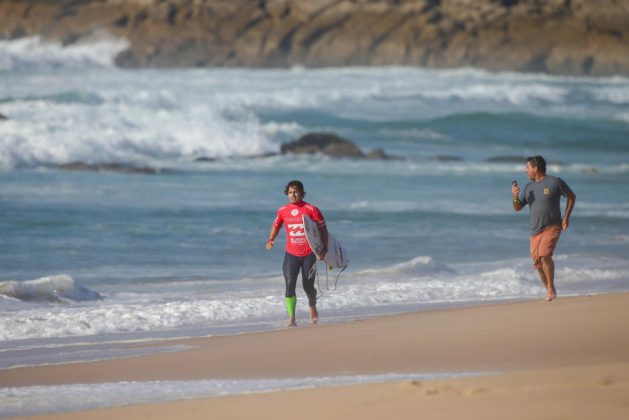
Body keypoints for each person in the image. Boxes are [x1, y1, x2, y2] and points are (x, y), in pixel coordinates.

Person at [512, 155, 576, 301]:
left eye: (527, 167)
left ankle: (551, 290)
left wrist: (566, 218)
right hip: (535, 230)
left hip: (552, 226)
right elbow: (517, 207)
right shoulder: (529, 187)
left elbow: (572, 196)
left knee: (544, 255)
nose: (525, 170)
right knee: (538, 263)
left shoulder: (555, 182)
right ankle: (548, 290)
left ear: (535, 168)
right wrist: (515, 196)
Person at [266, 180, 328, 326]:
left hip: (309, 254)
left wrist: (324, 249)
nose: (293, 195)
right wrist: (271, 239)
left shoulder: (311, 209)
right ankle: (292, 319)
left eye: (296, 192)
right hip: (291, 254)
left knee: (308, 286)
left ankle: (312, 307)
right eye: (290, 192)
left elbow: (323, 230)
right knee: (289, 283)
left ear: (301, 193)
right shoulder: (282, 210)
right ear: (287, 194)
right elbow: (276, 225)